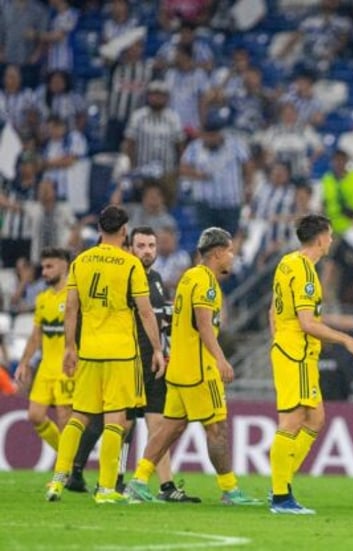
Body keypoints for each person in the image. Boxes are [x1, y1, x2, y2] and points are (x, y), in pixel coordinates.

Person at [124, 227, 259, 506]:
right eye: (230, 251)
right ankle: (230, 489)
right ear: (218, 253)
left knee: (170, 428)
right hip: (200, 371)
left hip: (179, 369)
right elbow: (203, 323)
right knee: (217, 428)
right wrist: (221, 359)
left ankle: (138, 480)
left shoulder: (188, 277)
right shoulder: (207, 282)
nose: (232, 257)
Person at [67, 227, 201, 500]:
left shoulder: (157, 279)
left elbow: (160, 320)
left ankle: (165, 487)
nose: (148, 250)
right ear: (129, 248)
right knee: (121, 424)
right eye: (141, 245)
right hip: (126, 359)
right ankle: (109, 480)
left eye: (151, 245)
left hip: (153, 361)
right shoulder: (124, 276)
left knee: (158, 425)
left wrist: (163, 350)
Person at [45, 206, 165, 504]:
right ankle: (106, 488)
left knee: (79, 416)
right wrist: (158, 349)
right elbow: (146, 311)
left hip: (89, 350)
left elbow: (71, 308)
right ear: (124, 231)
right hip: (121, 352)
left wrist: (70, 347)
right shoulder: (130, 265)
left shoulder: (81, 262)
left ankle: (57, 481)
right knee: (116, 420)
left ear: (99, 229)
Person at [268, 214, 353, 514]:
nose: (332, 241)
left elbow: (272, 311)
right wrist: (347, 340)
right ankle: (280, 495)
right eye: (331, 236)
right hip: (296, 351)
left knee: (315, 419)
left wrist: (278, 340)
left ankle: (281, 484)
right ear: (321, 238)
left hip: (293, 349)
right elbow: (308, 323)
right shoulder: (305, 274)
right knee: (292, 421)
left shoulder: (287, 262)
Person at [14, 248, 72, 452]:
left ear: (64, 266)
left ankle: (65, 470)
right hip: (46, 367)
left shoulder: (74, 297)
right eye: (43, 267)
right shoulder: (43, 298)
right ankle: (69, 461)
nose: (44, 272)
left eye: (50, 266)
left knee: (66, 418)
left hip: (67, 368)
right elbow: (36, 336)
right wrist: (24, 362)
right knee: (35, 415)